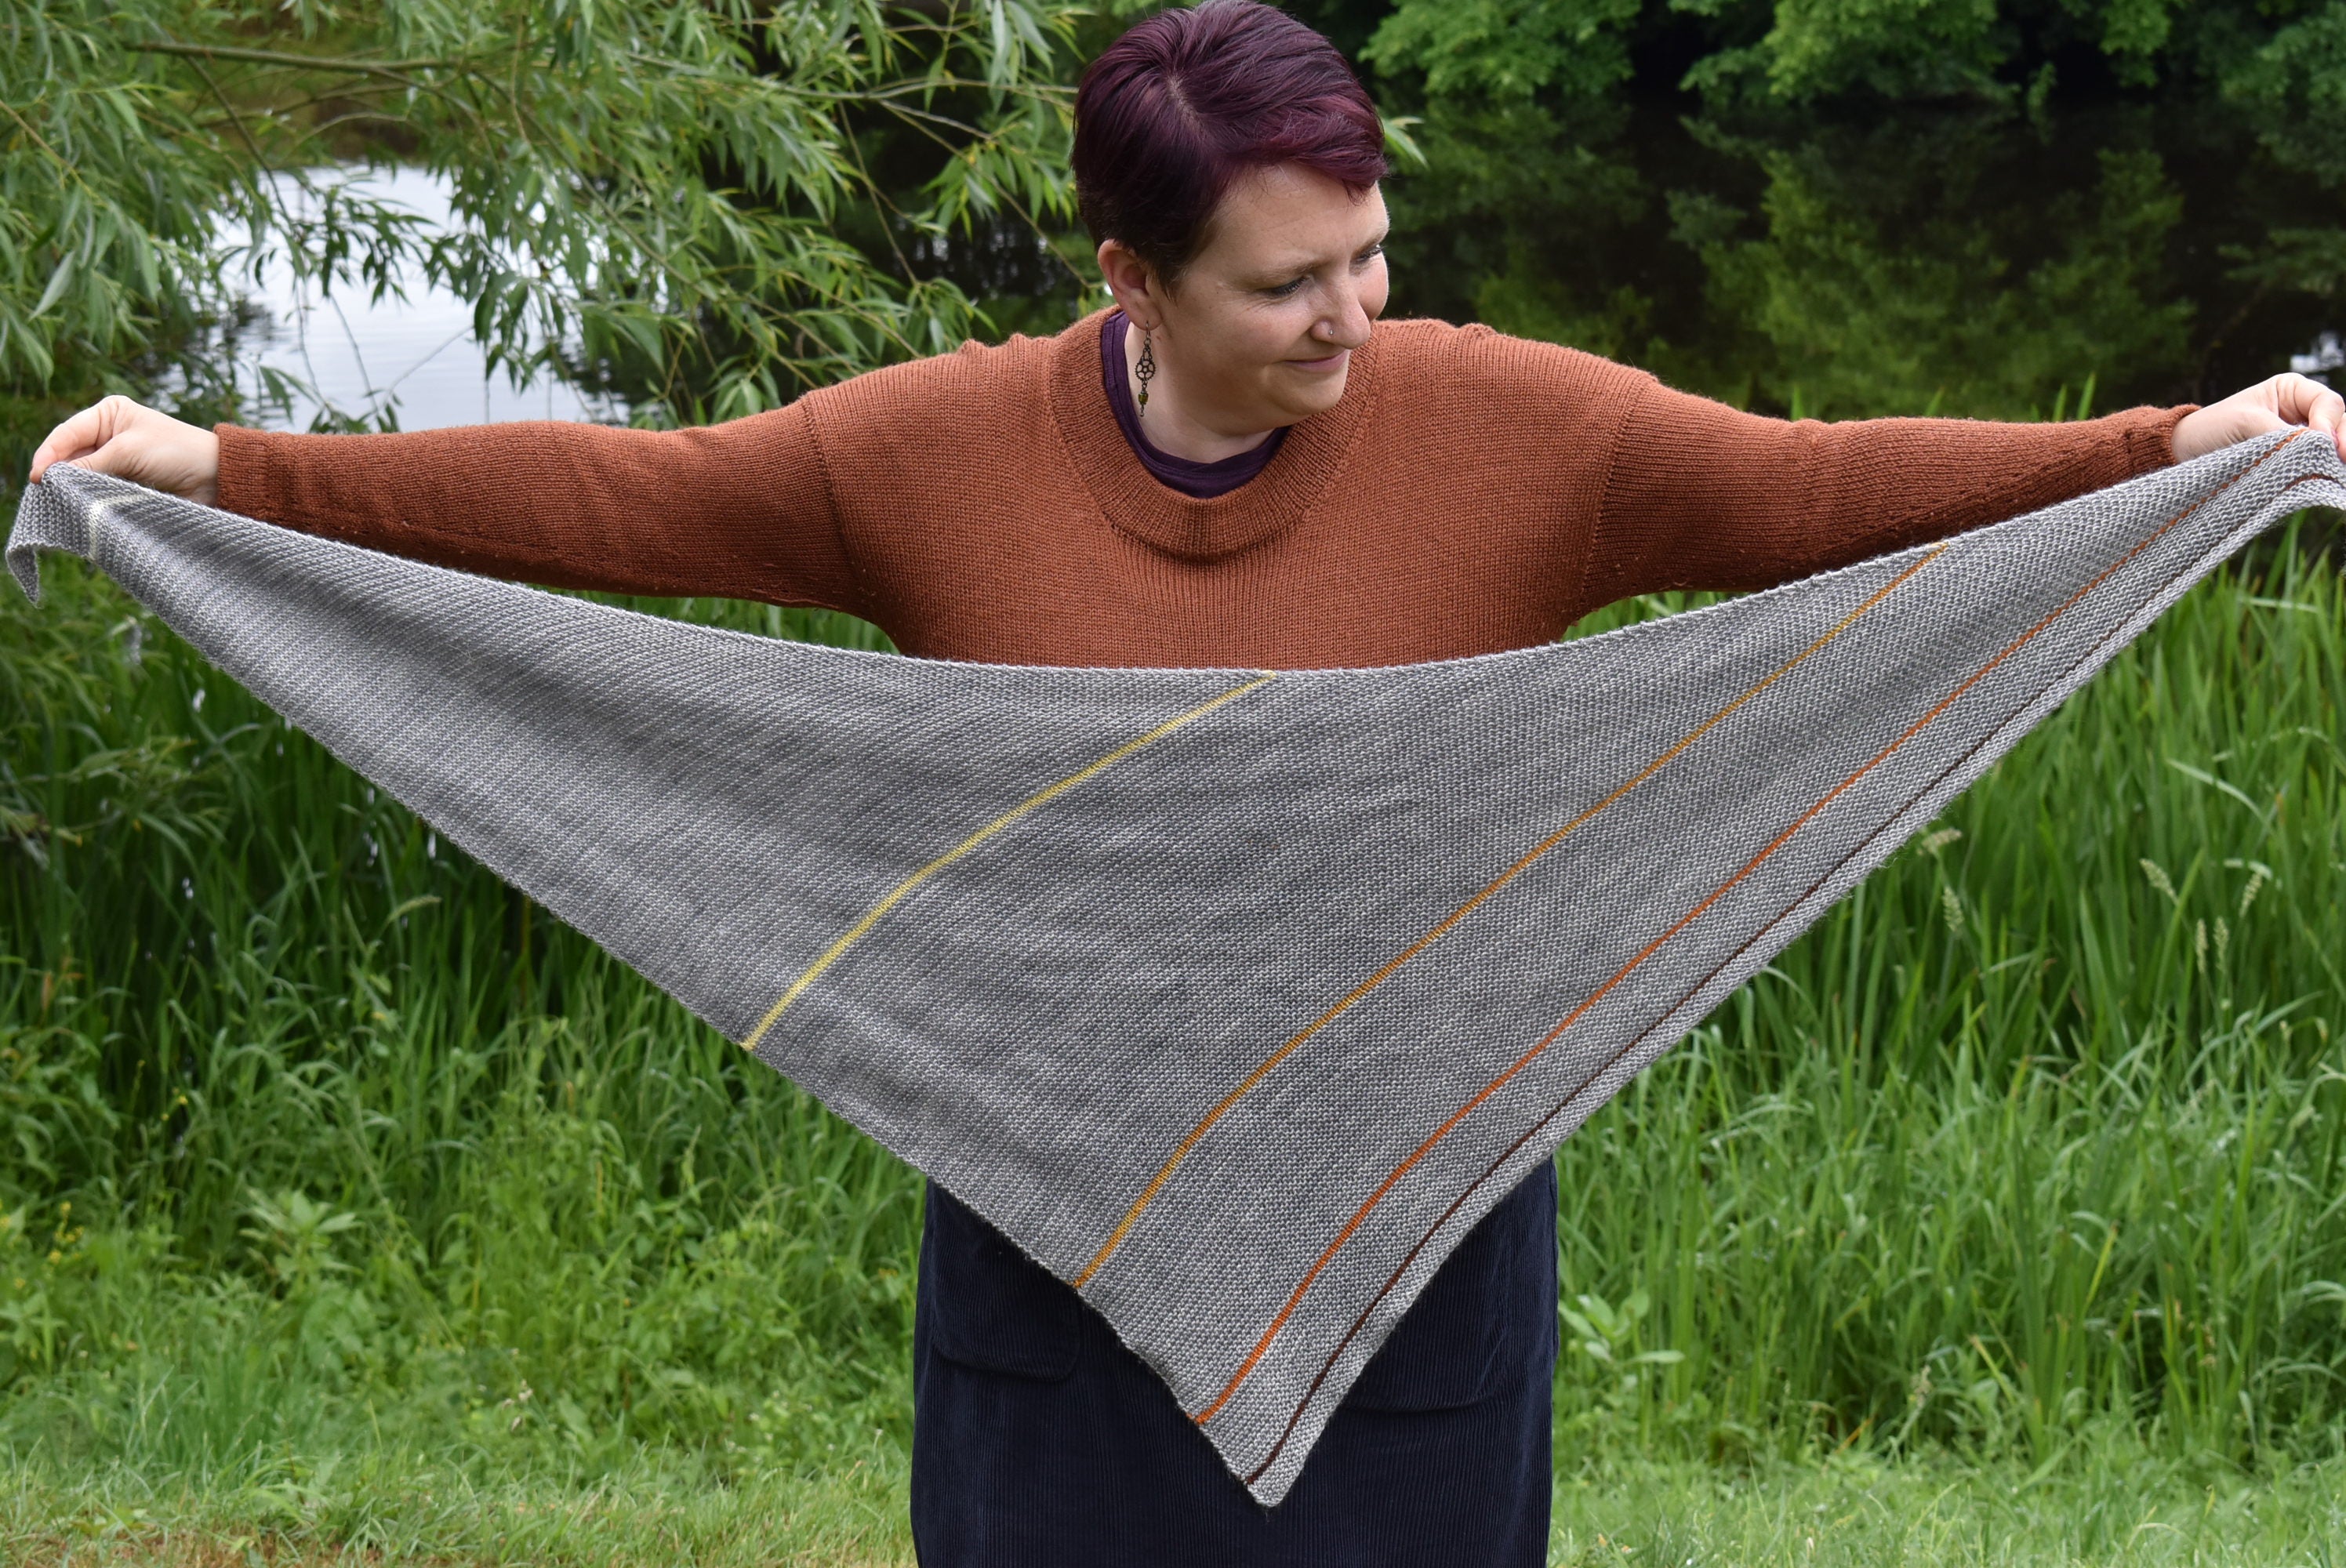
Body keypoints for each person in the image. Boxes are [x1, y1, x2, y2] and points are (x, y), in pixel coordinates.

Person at [28, 2, 2345, 1560]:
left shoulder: (1516, 432)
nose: (1357, 318)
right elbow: (620, 507)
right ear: (1131, 271)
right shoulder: (928, 461)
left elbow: (1824, 487)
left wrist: (2169, 451)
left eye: (1373, 256)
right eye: (1288, 286)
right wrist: (230, 463)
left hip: (1423, 1218)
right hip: (1042, 1226)